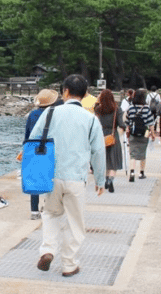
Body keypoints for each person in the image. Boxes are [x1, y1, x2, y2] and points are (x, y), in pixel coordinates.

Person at [30, 74, 105, 278]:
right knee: (74, 221)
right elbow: (98, 151)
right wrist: (100, 179)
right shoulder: (91, 119)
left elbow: (34, 138)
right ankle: (69, 265)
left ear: (65, 91)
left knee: (51, 214)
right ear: (85, 94)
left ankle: (47, 251)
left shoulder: (50, 113)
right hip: (76, 177)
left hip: (52, 175)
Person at [23, 89, 62, 219]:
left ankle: (34, 211)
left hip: (33, 147)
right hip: (50, 147)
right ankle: (48, 206)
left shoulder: (32, 114)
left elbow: (27, 134)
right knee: (50, 176)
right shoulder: (54, 114)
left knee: (34, 177)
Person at [94, 89, 125, 193]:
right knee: (114, 161)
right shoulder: (117, 109)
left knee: (106, 160)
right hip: (113, 136)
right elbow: (121, 124)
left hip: (101, 136)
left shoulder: (98, 109)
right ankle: (110, 180)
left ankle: (106, 179)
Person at [124, 89, 156, 181]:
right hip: (144, 134)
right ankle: (141, 173)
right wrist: (153, 134)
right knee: (142, 153)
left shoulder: (130, 108)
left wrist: (127, 130)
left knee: (132, 154)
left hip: (133, 134)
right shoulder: (146, 108)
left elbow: (127, 122)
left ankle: (132, 172)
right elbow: (151, 123)